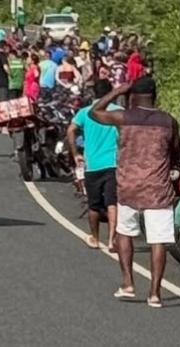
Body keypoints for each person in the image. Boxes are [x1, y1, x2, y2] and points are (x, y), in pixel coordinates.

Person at [90, 77, 180, 309]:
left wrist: (117, 91)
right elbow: (175, 153)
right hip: (158, 188)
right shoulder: (168, 121)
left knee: (125, 233)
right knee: (158, 240)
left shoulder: (124, 117)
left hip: (128, 185)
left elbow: (94, 112)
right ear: (155, 95)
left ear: (131, 96)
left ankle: (128, 283)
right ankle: (155, 293)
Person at [69, 79, 121, 250]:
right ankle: (112, 239)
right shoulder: (119, 112)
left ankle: (95, 237)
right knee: (112, 202)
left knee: (94, 204)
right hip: (113, 162)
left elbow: (71, 130)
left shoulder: (85, 112)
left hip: (92, 164)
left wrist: (75, 153)